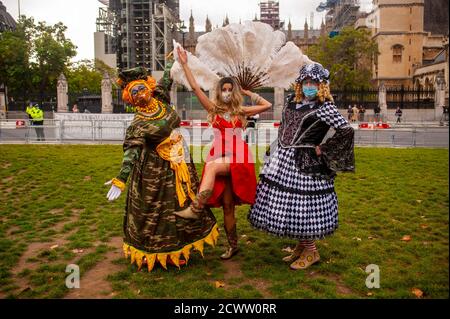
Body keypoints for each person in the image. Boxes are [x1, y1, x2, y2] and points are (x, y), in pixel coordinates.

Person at [105, 63, 219, 272]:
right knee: (158, 211)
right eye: (134, 93)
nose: (139, 94)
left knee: (183, 204)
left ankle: (183, 244)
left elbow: (166, 81)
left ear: (148, 87)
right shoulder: (138, 124)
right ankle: (156, 251)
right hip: (155, 174)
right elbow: (131, 151)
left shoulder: (161, 100)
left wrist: (170, 63)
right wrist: (121, 179)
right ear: (130, 99)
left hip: (180, 162)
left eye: (141, 88)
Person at [248, 63, 355, 270]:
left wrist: (323, 148)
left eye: (313, 83)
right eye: (305, 82)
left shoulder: (325, 106)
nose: (309, 86)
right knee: (288, 206)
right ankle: (302, 246)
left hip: (305, 162)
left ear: (321, 85)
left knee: (302, 207)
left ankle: (312, 251)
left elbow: (346, 130)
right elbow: (286, 127)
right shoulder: (292, 101)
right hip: (283, 158)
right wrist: (275, 149)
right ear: (300, 84)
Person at [174, 46, 272, 260]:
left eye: (230, 89)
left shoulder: (241, 111)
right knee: (227, 206)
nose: (227, 93)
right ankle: (233, 245)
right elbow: (196, 88)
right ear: (220, 92)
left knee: (211, 167)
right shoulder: (213, 110)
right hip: (219, 153)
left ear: (234, 92)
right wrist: (184, 64)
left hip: (238, 157)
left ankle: (196, 208)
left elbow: (268, 104)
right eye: (224, 89)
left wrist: (248, 93)